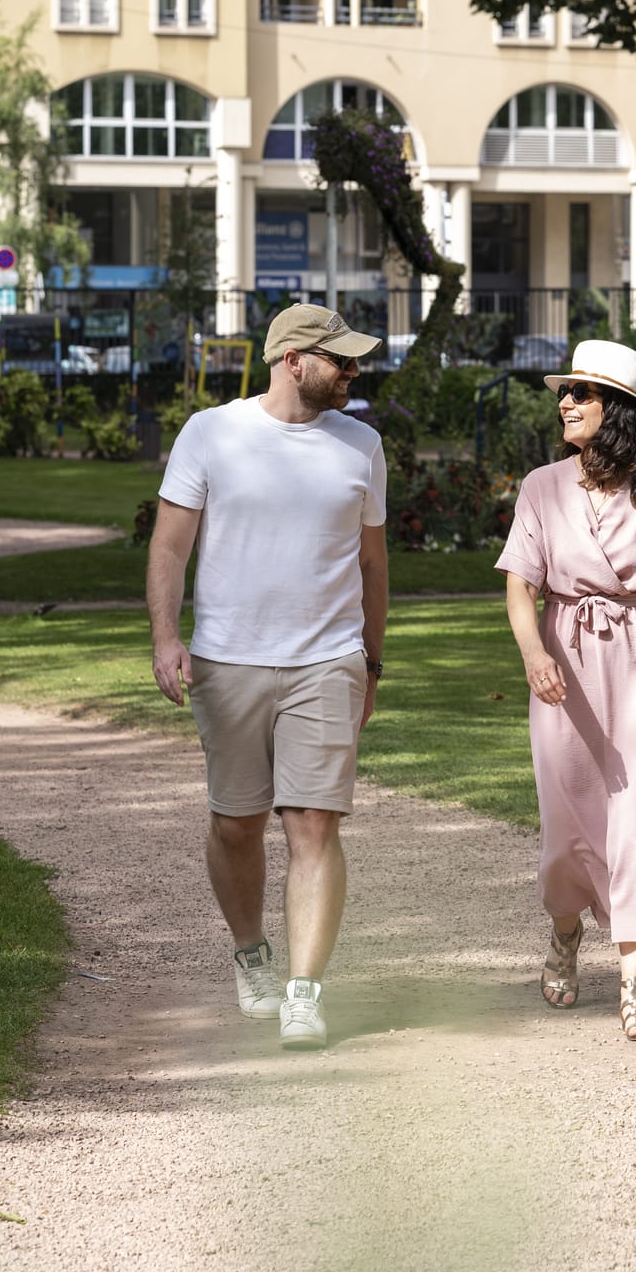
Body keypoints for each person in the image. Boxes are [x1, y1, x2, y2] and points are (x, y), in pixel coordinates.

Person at [146, 304, 389, 1052]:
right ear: (292, 360)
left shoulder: (362, 445)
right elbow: (169, 547)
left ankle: (303, 992)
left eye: (353, 361)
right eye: (339, 360)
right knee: (236, 822)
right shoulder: (211, 433)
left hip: (328, 659)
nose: (352, 371)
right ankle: (251, 954)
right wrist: (166, 638)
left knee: (313, 823)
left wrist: (372, 662)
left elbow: (373, 564)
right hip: (229, 659)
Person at [496, 339, 636, 1042]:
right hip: (567, 665)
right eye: (565, 393)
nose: (564, 401)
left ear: (616, 410)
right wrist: (533, 653)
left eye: (582, 393)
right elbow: (518, 583)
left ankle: (634, 990)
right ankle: (565, 933)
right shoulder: (541, 486)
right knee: (569, 828)